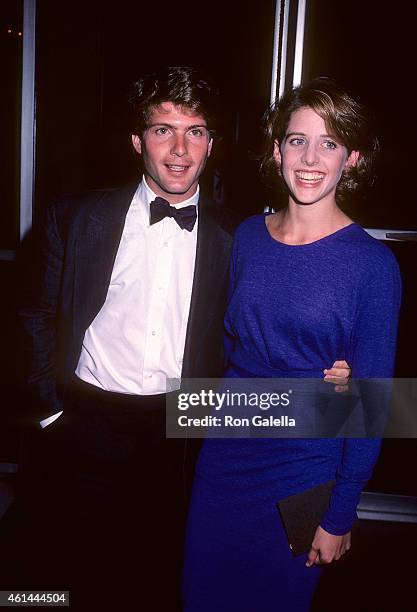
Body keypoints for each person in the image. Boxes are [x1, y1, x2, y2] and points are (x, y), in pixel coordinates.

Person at [18, 66, 350, 610]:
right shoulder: (75, 218)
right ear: (136, 140)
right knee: (62, 576)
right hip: (83, 418)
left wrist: (338, 373)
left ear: (211, 143)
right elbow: (33, 315)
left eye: (194, 131)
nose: (178, 149)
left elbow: (267, 328)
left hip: (183, 430)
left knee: (158, 576)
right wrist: (53, 413)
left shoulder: (237, 236)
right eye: (162, 130)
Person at [182, 78, 402, 611]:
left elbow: (372, 406)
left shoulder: (372, 267)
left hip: (305, 471)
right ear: (277, 149)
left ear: (351, 158)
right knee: (199, 595)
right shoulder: (248, 238)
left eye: (329, 143)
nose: (310, 157)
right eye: (297, 140)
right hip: (226, 457)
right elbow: (230, 346)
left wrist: (340, 513)